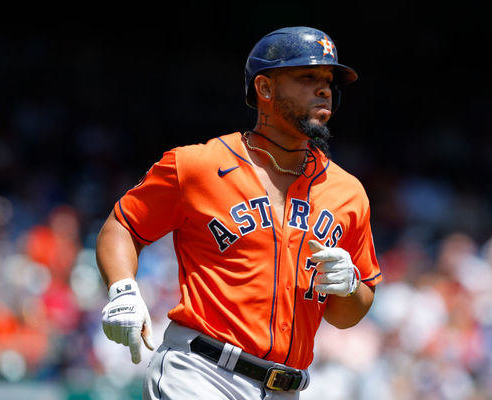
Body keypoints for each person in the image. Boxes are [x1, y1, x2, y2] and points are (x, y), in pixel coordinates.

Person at [96, 26, 383, 400]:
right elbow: (123, 226)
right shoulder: (198, 165)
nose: (324, 88)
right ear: (265, 89)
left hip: (288, 387)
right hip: (202, 373)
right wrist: (122, 289)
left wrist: (349, 286)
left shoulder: (348, 193)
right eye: (307, 76)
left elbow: (345, 316)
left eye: (328, 80)